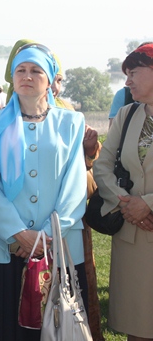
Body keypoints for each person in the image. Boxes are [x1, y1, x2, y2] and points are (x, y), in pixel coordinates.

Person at [0, 43, 87, 340]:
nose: (27, 76)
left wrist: (46, 237)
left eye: (36, 71)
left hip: (60, 245)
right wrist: (18, 233)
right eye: (21, 70)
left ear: (50, 80)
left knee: (61, 328)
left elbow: (75, 184)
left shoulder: (71, 122)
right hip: (5, 246)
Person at [94, 43, 153, 341]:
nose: (127, 81)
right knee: (137, 326)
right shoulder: (127, 114)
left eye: (134, 73)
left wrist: (148, 204)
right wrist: (127, 204)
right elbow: (103, 165)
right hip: (132, 238)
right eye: (126, 75)